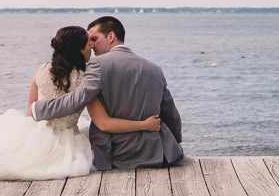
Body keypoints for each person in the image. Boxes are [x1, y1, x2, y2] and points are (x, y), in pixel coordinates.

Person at [0, 26, 160, 180]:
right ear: (79, 50)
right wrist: (144, 124)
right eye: (87, 45)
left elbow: (30, 111)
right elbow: (103, 122)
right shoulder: (85, 78)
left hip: (36, 133)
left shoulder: (41, 71)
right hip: (66, 141)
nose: (91, 48)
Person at [30, 16, 184, 170]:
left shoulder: (96, 65)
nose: (91, 45)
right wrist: (175, 140)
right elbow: (170, 113)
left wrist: (37, 109)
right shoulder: (155, 68)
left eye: (95, 39)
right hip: (158, 153)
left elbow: (75, 100)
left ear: (111, 36)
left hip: (116, 156)